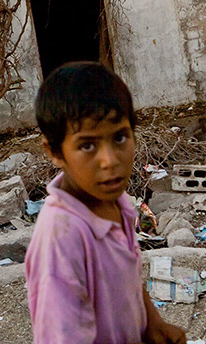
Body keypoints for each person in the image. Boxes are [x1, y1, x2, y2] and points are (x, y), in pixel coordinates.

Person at [25, 61, 187, 344]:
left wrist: (153, 322)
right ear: (54, 152)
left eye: (120, 137)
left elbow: (128, 276)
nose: (110, 161)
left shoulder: (117, 203)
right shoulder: (61, 240)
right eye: (87, 145)